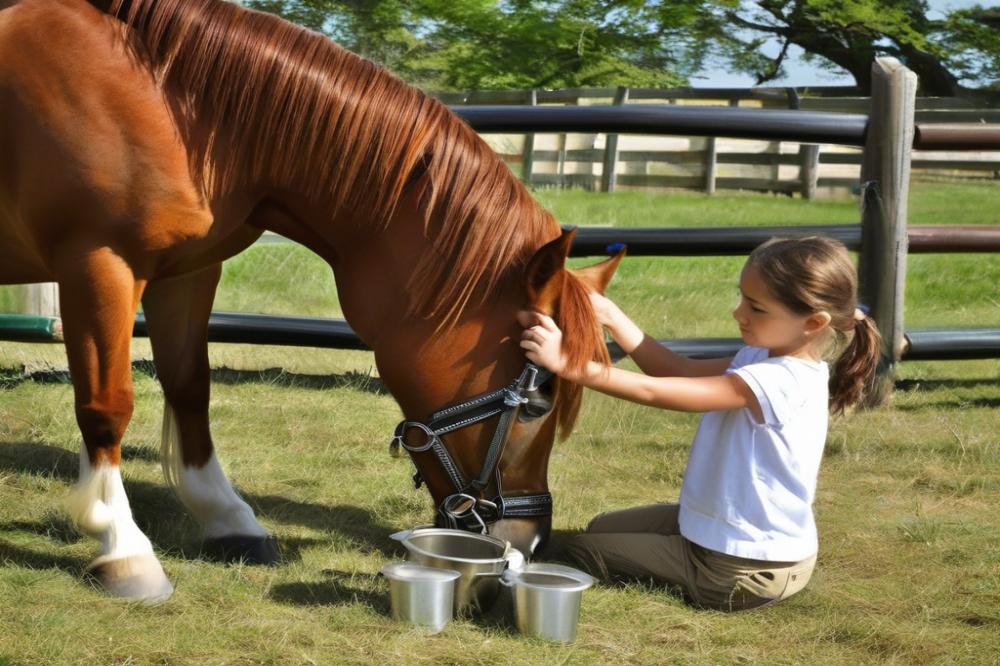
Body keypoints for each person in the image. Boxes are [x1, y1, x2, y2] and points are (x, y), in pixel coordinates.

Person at [518, 236, 881, 611]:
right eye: (741, 297)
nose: (738, 312)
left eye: (755, 308)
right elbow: (678, 370)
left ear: (813, 322)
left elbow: (656, 391)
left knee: (577, 549)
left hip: (740, 568)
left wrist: (569, 364)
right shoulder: (760, 356)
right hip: (729, 535)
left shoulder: (783, 380)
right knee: (600, 527)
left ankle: (700, 573)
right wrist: (611, 316)